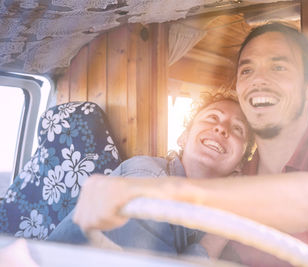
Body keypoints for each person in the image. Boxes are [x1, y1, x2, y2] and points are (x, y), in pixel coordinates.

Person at [69, 23, 308, 266]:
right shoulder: (239, 183)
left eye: (279, 66)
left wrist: (157, 196)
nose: (258, 79)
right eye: (247, 70)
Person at [46, 91, 254, 258]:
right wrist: (218, 236)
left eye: (237, 128)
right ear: (183, 138)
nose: (221, 128)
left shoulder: (209, 213)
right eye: (213, 117)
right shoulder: (146, 177)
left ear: (240, 164)